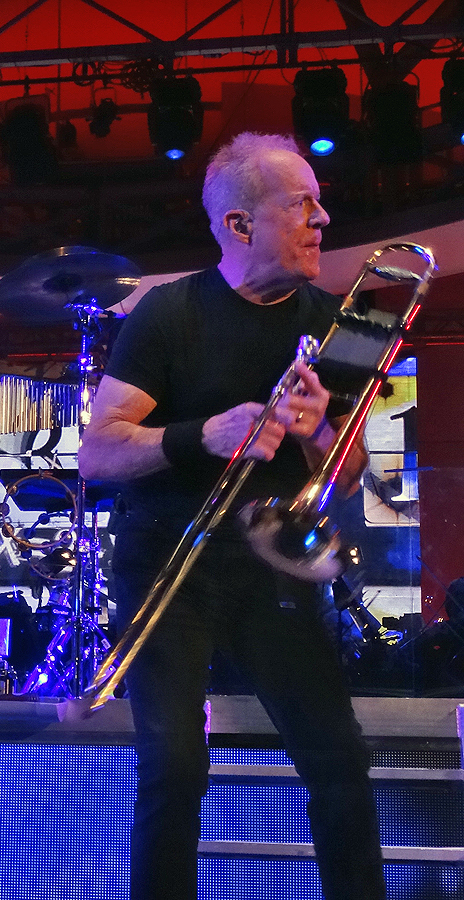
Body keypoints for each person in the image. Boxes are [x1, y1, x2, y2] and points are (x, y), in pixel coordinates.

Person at [77, 132, 384, 900]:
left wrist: (318, 434)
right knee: (175, 767)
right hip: (166, 563)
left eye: (319, 203)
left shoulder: (344, 323)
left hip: (273, 570)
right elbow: (98, 453)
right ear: (240, 225)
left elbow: (348, 473)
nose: (323, 219)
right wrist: (201, 436)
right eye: (302, 205)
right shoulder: (167, 313)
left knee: (342, 763)